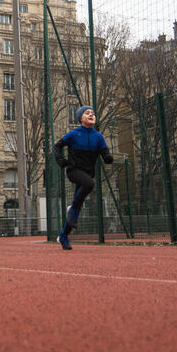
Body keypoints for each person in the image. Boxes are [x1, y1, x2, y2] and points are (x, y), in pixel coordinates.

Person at [53, 106, 113, 250]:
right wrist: (61, 160)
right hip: (74, 171)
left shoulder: (98, 137)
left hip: (87, 173)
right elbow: (57, 146)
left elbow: (105, 153)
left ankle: (63, 236)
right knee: (89, 185)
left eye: (93, 113)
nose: (91, 114)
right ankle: (72, 209)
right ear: (80, 118)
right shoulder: (74, 134)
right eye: (87, 113)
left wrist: (108, 158)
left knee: (77, 208)